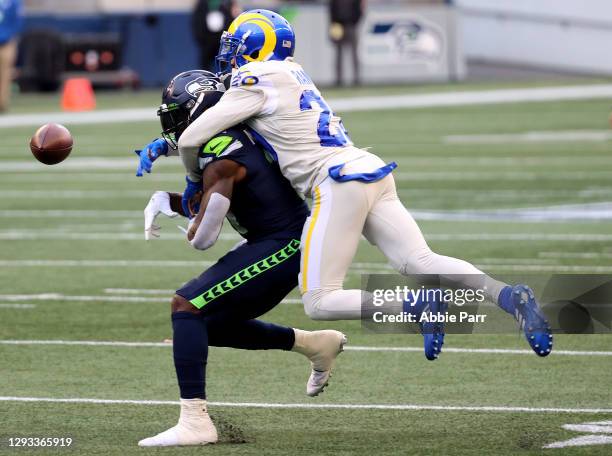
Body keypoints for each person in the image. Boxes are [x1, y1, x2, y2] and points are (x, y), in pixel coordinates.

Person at [141, 10, 552, 361]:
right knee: (419, 260)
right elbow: (244, 132)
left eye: (234, 46)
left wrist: (193, 178)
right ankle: (507, 296)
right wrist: (165, 146)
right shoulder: (289, 75)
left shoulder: (255, 78)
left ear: (251, 48)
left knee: (320, 301)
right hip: (367, 167)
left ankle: (414, 308)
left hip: (335, 182)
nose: (228, 55)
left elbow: (197, 137)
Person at [135, 70, 346, 447]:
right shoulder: (229, 138)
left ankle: (195, 421)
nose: (171, 123)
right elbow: (213, 198)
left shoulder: (223, 158)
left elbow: (205, 237)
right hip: (274, 239)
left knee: (187, 305)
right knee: (205, 325)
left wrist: (189, 218)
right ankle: (313, 344)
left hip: (285, 244)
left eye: (177, 113)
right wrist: (166, 200)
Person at [191, 0, 238, 72]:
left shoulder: (227, 3)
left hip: (222, 39)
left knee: (223, 65)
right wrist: (201, 38)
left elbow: (232, 18)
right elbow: (197, 21)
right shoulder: (202, 4)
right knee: (205, 65)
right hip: (207, 40)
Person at [329, 0, 363, 86]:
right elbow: (332, 10)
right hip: (339, 26)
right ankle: (339, 79)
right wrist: (334, 24)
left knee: (354, 53)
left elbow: (359, 10)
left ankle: (356, 78)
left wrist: (354, 21)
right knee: (339, 54)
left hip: (351, 25)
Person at [0, 0, 22, 112]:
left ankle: (2, 105)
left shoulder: (13, 2)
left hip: (6, 42)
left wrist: (9, 36)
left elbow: (17, 20)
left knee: (5, 75)